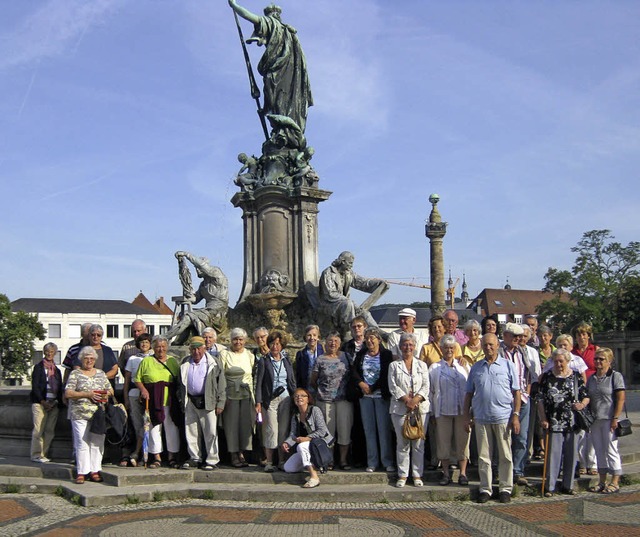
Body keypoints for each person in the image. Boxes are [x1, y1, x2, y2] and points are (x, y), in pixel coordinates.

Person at [228, 0, 313, 133]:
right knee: (287, 100)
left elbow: (249, 16)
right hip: (292, 74)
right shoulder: (289, 32)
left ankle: (283, 131)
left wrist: (234, 6)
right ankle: (284, 130)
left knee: (276, 93)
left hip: (280, 71)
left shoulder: (273, 24)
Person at [464, 334, 521, 504]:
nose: (488, 348)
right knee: (484, 456)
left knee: (505, 455)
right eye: (485, 345)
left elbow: (516, 393)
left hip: (503, 417)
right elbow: (468, 394)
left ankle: (505, 488)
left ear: (497, 345)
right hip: (481, 417)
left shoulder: (508, 366)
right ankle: (485, 488)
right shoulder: (476, 368)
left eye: (491, 345)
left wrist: (516, 415)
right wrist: (466, 416)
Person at [537, 348, 589, 497]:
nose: (559, 364)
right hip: (553, 420)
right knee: (553, 455)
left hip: (572, 422)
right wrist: (543, 418)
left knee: (571, 455)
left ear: (567, 361)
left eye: (562, 361)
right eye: (556, 361)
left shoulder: (575, 376)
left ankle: (568, 485)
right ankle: (550, 486)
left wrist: (582, 405)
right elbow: (540, 399)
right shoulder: (547, 377)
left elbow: (586, 395)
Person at [65, 346, 114, 484]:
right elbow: (68, 393)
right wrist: (87, 394)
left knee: (97, 442)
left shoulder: (100, 373)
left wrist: (104, 394)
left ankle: (95, 470)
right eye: (86, 358)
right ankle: (82, 471)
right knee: (82, 441)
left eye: (91, 358)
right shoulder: (75, 373)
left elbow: (110, 390)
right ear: (81, 359)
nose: (89, 360)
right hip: (79, 412)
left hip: (98, 413)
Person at [388, 332, 430, 488]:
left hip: (420, 409)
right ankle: (403, 475)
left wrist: (416, 400)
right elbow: (393, 386)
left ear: (415, 347)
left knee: (418, 443)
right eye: (405, 344)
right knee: (403, 442)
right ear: (400, 347)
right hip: (400, 408)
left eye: (411, 345)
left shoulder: (422, 365)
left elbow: (426, 386)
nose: (408, 347)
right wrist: (407, 400)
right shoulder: (394, 366)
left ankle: (417, 474)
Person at [179, 336, 226, 470]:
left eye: (199, 348)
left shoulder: (214, 362)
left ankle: (212, 460)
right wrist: (181, 399)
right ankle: (195, 457)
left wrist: (221, 403)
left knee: (210, 431)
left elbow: (221, 384)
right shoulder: (185, 362)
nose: (196, 352)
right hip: (190, 400)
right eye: (193, 349)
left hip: (208, 400)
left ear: (204, 348)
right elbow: (180, 383)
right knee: (191, 431)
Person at [351, 327, 394, 473]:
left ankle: (387, 461)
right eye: (367, 338)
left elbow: (385, 374)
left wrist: (374, 387)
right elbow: (354, 371)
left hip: (380, 396)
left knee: (383, 430)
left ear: (378, 340)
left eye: (372, 338)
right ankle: (372, 461)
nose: (369, 341)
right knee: (369, 430)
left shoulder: (386, 354)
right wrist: (361, 384)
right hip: (365, 397)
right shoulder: (361, 354)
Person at [430, 335, 471, 486]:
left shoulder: (463, 366)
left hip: (462, 411)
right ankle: (446, 473)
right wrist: (433, 413)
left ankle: (463, 473)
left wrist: (469, 412)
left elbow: (470, 389)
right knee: (443, 443)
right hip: (442, 411)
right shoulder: (435, 368)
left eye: (451, 348)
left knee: (463, 443)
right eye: (446, 347)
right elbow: (431, 391)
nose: (449, 350)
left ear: (455, 349)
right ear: (441, 349)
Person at [134, 336, 181, 469]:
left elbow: (178, 380)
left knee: (171, 427)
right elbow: (137, 379)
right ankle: (156, 457)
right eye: (158, 347)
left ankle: (172, 456)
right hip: (153, 398)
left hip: (169, 399)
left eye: (163, 346)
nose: (161, 349)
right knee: (154, 427)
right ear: (153, 348)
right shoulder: (146, 361)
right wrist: (143, 390)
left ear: (167, 347)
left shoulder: (172, 361)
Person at [166, 251, 229, 345]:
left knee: (189, 316)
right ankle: (179, 341)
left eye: (199, 268)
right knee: (186, 315)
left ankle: (165, 337)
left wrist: (187, 255)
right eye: (196, 268)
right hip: (208, 311)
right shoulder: (203, 285)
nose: (197, 270)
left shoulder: (217, 275)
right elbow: (195, 300)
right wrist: (188, 291)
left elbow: (202, 265)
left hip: (218, 311)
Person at [311, 331, 353, 470]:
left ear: (340, 343)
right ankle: (329, 460)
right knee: (327, 432)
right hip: (325, 400)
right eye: (330, 341)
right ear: (325, 343)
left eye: (335, 341)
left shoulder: (346, 357)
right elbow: (313, 379)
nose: (332, 343)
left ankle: (343, 460)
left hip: (344, 399)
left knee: (344, 431)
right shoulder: (320, 359)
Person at [255, 330, 296, 472]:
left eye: (277, 344)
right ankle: (269, 461)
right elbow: (258, 382)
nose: (275, 347)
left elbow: (291, 380)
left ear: (282, 345)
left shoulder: (287, 360)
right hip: (270, 400)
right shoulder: (264, 361)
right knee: (271, 429)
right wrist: (258, 402)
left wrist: (295, 396)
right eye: (272, 344)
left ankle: (282, 460)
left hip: (285, 398)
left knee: (283, 430)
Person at [587, 347, 626, 494]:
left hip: (609, 418)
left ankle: (615, 481)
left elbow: (620, 398)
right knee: (599, 450)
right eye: (596, 358)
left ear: (609, 361)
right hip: (595, 419)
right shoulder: (592, 378)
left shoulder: (615, 376)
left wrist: (615, 417)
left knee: (611, 449)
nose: (597, 361)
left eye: (601, 359)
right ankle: (602, 480)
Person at [319, 251, 388, 332]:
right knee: (349, 304)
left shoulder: (348, 273)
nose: (352, 265)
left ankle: (377, 332)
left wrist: (377, 284)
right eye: (350, 263)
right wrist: (347, 301)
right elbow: (330, 293)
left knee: (363, 312)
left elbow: (362, 283)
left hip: (345, 304)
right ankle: (349, 332)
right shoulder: (328, 272)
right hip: (330, 304)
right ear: (343, 261)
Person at [499, 323, 532, 487]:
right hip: (504, 401)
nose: (518, 339)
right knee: (504, 438)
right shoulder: (499, 352)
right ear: (505, 336)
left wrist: (527, 391)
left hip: (523, 399)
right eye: (514, 336)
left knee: (522, 437)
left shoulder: (522, 352)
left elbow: (528, 373)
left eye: (520, 337)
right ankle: (503, 471)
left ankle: (518, 470)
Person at [282, 388, 334, 488]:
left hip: (319, 444)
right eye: (296, 396)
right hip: (306, 446)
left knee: (301, 446)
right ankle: (311, 463)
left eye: (302, 395)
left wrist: (308, 438)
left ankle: (314, 477)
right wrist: (287, 443)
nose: (299, 398)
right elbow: (293, 434)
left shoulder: (315, 410)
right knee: (288, 468)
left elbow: (322, 431)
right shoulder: (295, 415)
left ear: (308, 399)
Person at [220, 328, 256, 468]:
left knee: (245, 426)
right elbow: (221, 376)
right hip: (231, 395)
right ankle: (233, 454)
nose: (238, 342)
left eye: (241, 339)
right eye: (235, 339)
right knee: (231, 426)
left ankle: (242, 452)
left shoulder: (250, 355)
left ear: (245, 341)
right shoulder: (224, 354)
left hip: (246, 395)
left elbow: (251, 377)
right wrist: (223, 396)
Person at [122, 333, 153, 467]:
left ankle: (140, 452)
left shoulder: (153, 358)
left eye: (146, 342)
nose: (144, 345)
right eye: (142, 342)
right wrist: (126, 399)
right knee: (137, 424)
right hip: (134, 393)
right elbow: (127, 381)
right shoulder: (132, 359)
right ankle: (138, 453)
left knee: (148, 424)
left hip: (149, 394)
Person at [30, 342, 63, 463]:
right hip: (40, 403)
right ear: (44, 352)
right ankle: (36, 454)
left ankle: (44, 454)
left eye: (52, 352)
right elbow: (35, 387)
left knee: (49, 430)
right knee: (38, 430)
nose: (49, 354)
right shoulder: (38, 368)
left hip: (53, 403)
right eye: (47, 351)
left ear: (55, 353)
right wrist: (43, 401)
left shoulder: (57, 370)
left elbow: (59, 387)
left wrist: (55, 402)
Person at [294, 324, 323, 392]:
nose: (312, 338)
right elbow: (299, 376)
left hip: (321, 390)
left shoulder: (324, 352)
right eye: (309, 335)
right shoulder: (301, 354)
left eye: (314, 335)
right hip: (307, 390)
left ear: (318, 337)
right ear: (305, 337)